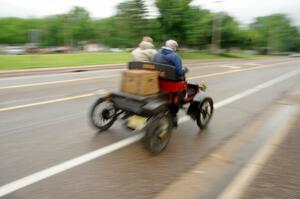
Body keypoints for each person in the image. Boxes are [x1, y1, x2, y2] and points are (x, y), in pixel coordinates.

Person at [154, 40, 188, 127]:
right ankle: (174, 114)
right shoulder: (175, 56)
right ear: (174, 47)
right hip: (172, 81)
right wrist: (185, 69)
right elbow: (180, 72)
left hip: (158, 78)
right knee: (183, 76)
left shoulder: (157, 54)